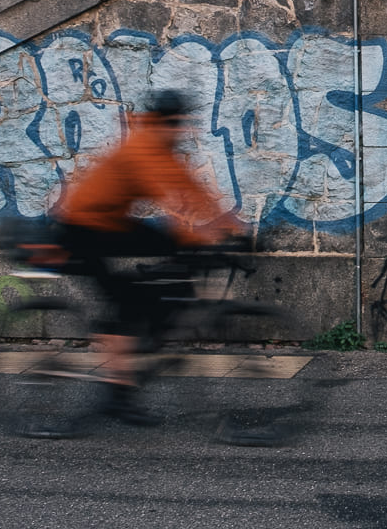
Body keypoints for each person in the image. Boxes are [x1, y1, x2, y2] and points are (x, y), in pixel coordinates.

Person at [48, 88, 242, 421]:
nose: (179, 131)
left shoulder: (162, 149)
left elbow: (192, 189)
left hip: (111, 223)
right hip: (81, 229)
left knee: (173, 252)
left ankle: (152, 313)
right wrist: (203, 239)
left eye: (181, 124)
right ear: (160, 123)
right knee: (125, 302)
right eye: (174, 124)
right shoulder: (142, 149)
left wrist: (234, 225)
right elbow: (171, 201)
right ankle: (118, 392)